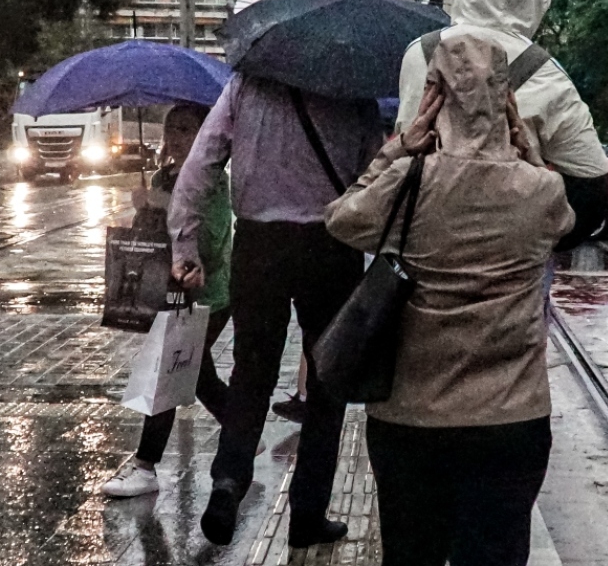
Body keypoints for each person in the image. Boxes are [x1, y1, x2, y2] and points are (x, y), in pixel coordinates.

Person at [326, 35, 574, 565]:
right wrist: (527, 150)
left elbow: (342, 218)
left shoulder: (407, 182)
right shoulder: (541, 192)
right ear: (508, 99)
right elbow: (566, 222)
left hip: (410, 422)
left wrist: (399, 146)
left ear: (431, 97)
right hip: (512, 420)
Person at [170, 73, 383, 547]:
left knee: (252, 371)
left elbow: (202, 163)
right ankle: (307, 516)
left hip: (259, 246)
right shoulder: (353, 89)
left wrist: (184, 241)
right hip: (332, 246)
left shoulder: (247, 85)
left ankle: (228, 482)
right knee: (328, 384)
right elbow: (376, 177)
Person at [396, 0, 608, 247]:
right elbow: (592, 182)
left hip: (425, 242)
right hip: (514, 251)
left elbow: (403, 145)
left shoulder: (418, 53)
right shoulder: (545, 71)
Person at [101, 104, 234, 499]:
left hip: (204, 298)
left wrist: (162, 203)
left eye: (185, 129)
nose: (175, 136)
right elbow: (154, 240)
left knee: (165, 375)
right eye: (170, 128)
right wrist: (144, 212)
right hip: (165, 294)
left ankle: (145, 466)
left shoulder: (212, 180)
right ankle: (243, 433)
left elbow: (210, 240)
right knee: (199, 377)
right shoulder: (162, 175)